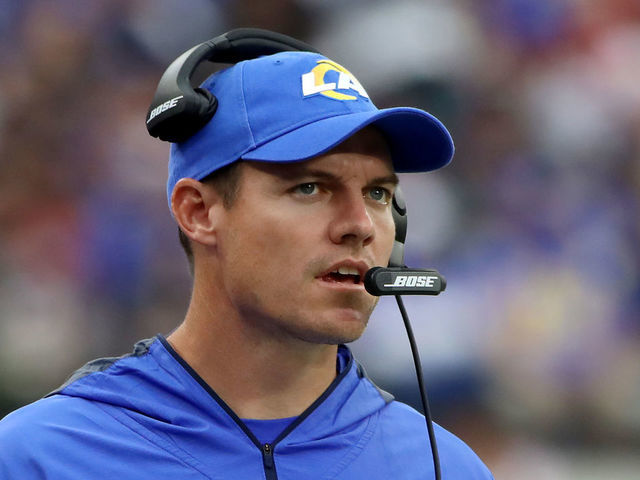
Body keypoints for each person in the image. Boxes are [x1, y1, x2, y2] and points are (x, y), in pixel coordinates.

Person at [0, 39, 494, 479]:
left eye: (378, 193)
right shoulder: (40, 456)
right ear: (197, 212)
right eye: (309, 187)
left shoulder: (442, 466)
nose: (360, 225)